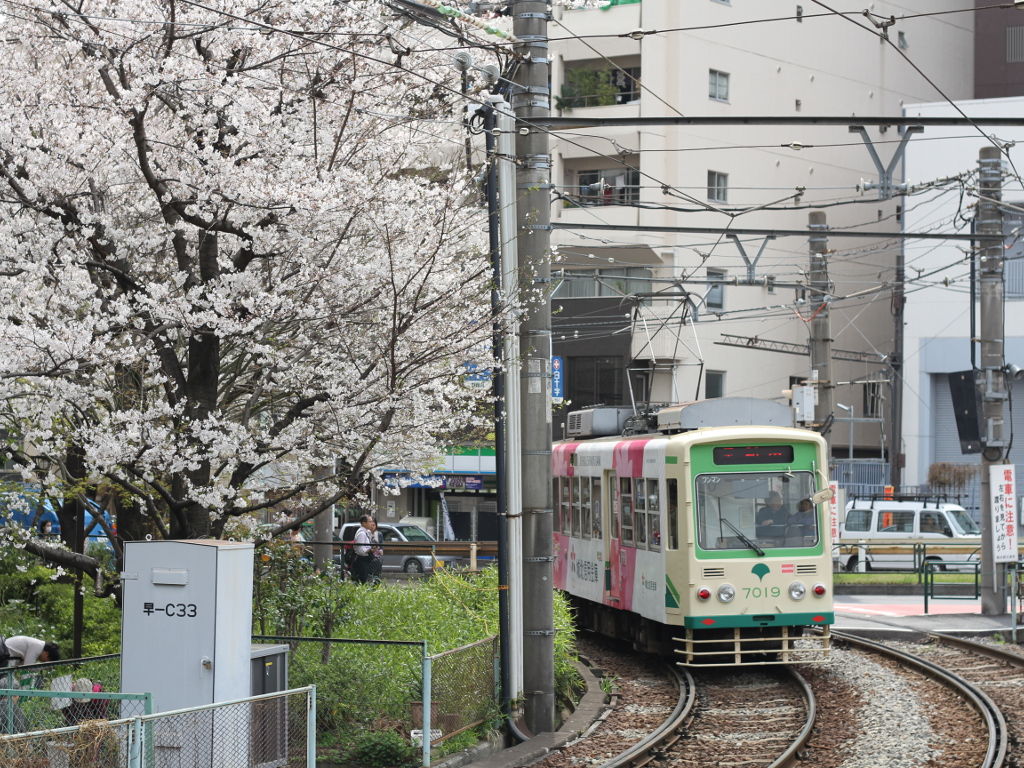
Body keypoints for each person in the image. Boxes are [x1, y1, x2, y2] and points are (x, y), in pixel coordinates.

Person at [351, 515, 378, 584]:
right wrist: (370, 550)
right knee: (362, 580)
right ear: (364, 523)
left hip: (364, 559)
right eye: (370, 521)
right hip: (361, 560)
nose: (371, 523)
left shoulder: (366, 532)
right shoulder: (362, 533)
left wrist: (371, 549)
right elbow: (360, 550)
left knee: (363, 579)